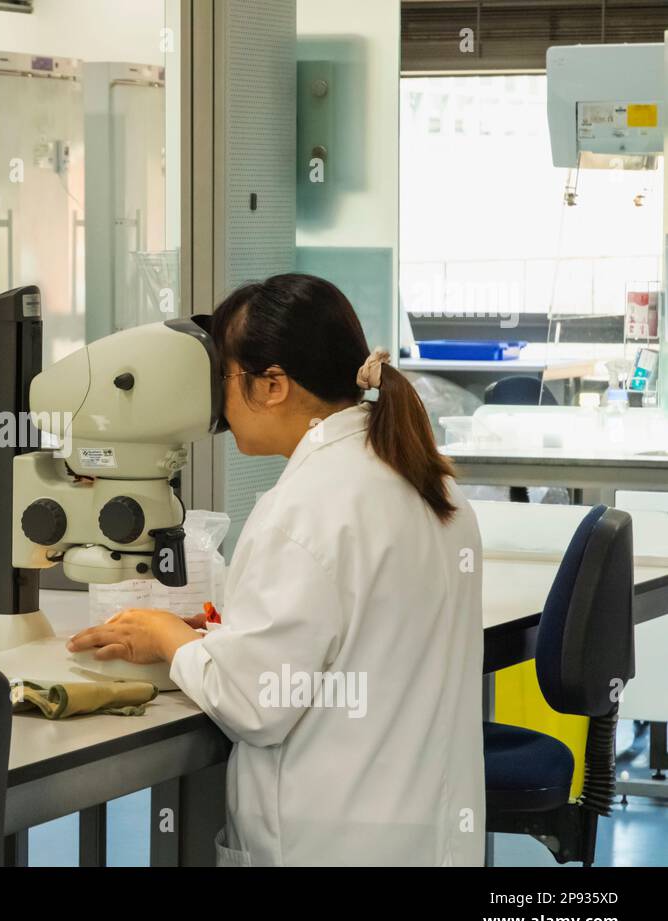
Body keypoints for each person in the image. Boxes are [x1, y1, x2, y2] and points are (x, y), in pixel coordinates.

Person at [68, 274, 484, 866]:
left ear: (272, 386)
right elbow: (355, 636)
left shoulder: (304, 507)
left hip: (328, 844)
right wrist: (216, 636)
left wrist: (167, 636)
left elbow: (257, 702)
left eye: (223, 380)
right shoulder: (426, 481)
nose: (217, 403)